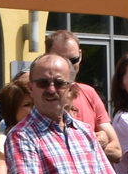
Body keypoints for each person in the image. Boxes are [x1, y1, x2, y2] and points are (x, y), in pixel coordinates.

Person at [7, 53, 117, 174]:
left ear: (70, 89)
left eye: (59, 83)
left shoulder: (85, 131)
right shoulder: (21, 136)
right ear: (31, 87)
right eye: (43, 83)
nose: (51, 89)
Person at [45, 30, 120, 163]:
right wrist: (93, 140)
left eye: (73, 60)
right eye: (62, 60)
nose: (69, 67)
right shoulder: (43, 96)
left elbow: (116, 151)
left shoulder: (88, 92)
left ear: (80, 55)